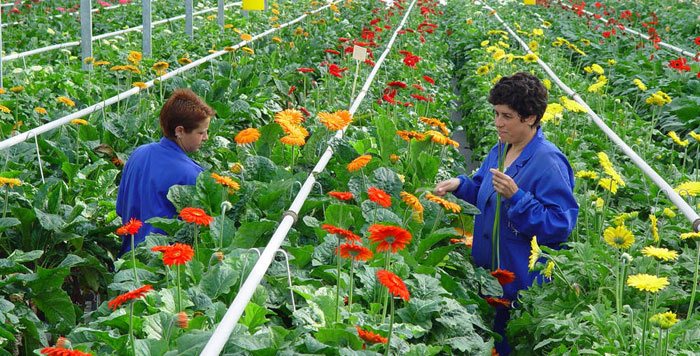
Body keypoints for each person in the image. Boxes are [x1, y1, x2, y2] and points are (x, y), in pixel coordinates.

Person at [433, 72, 578, 355]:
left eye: (507, 116)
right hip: (488, 280)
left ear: (531, 117)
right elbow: (483, 192)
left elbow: (561, 225)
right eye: (496, 113)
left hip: (519, 289)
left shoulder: (548, 160)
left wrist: (518, 198)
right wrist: (460, 185)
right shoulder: (501, 149)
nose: (498, 122)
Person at [116, 88, 215, 256]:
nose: (206, 137)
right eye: (201, 132)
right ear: (180, 131)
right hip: (163, 265)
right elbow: (198, 234)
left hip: (128, 257)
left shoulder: (138, 153)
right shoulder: (193, 175)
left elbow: (120, 208)